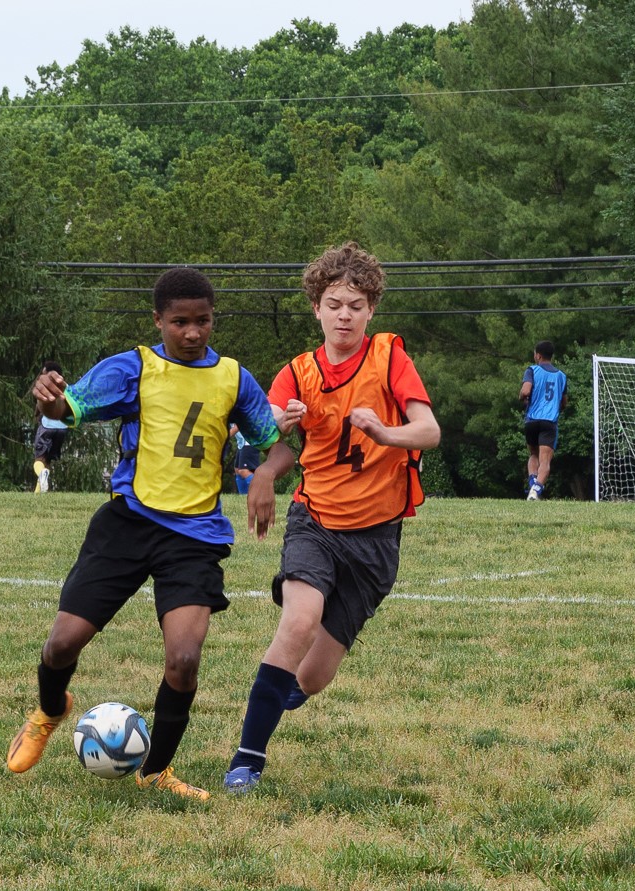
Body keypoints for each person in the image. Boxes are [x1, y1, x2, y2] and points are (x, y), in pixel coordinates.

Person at [6, 267, 290, 801]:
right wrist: (49, 401)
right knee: (62, 644)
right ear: (158, 320)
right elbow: (68, 408)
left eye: (203, 321)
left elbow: (276, 441)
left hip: (195, 537)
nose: (192, 332)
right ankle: (48, 710)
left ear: (213, 319)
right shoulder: (133, 368)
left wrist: (267, 475)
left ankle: (156, 770)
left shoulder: (234, 378)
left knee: (184, 660)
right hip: (128, 524)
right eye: (180, 322)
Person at [223, 241, 441, 793]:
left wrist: (385, 432)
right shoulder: (298, 371)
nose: (345, 315)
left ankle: (278, 691)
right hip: (315, 519)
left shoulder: (389, 358)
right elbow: (264, 430)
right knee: (298, 621)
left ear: (372, 311)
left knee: (314, 677)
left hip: (376, 538)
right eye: (335, 304)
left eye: (356, 305)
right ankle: (247, 760)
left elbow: (429, 431)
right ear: (316, 308)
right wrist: (277, 432)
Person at [520, 341, 568, 500]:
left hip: (532, 420)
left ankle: (533, 483)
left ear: (538, 356)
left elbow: (525, 391)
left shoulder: (532, 370)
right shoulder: (561, 376)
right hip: (549, 422)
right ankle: (536, 490)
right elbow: (564, 403)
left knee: (533, 454)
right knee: (545, 460)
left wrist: (522, 398)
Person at [32, 361, 69, 493]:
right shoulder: (65, 387)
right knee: (48, 460)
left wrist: (36, 415)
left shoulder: (45, 386)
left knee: (39, 459)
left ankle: (41, 473)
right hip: (62, 428)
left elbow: (39, 407)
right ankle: (39, 493)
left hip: (47, 426)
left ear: (47, 371)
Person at [229, 423, 263, 494]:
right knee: (237, 470)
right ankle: (243, 495)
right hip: (242, 444)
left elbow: (239, 425)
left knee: (243, 470)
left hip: (249, 442)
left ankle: (261, 492)